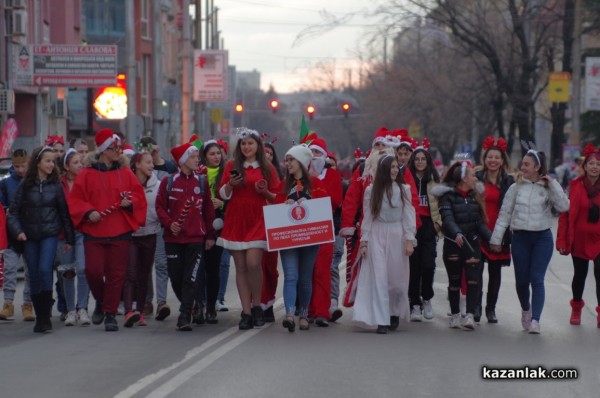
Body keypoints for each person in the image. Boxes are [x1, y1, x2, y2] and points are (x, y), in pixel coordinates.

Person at [68, 128, 147, 332]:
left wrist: (130, 203)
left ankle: (110, 313)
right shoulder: (86, 174)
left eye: (119, 147)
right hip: (94, 232)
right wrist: (88, 212)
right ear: (104, 149)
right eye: (115, 148)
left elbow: (139, 196)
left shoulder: (125, 172)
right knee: (92, 271)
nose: (118, 151)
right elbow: (75, 200)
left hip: (120, 231)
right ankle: (103, 302)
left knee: (116, 275)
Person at [490, 149, 569, 334]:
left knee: (537, 279)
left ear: (537, 167)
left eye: (527, 164)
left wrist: (554, 184)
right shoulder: (515, 187)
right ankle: (526, 309)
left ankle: (536, 320)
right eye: (522, 163)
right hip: (520, 238)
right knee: (521, 282)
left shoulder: (548, 187)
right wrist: (496, 239)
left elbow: (564, 206)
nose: (522, 167)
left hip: (542, 238)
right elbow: (504, 215)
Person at [7, 146, 75, 333]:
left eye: (53, 161)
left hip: (49, 235)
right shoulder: (25, 185)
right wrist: (18, 231)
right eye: (47, 161)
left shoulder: (56, 186)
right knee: (34, 274)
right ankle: (41, 317)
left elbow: (64, 213)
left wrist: (69, 238)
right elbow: (12, 213)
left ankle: (45, 316)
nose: (51, 164)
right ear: (37, 162)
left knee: (45, 270)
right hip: (29, 236)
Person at [217, 128, 278, 330]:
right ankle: (246, 312)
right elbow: (223, 194)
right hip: (237, 219)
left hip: (258, 219)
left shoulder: (267, 168)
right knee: (241, 267)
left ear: (257, 146)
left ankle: (258, 304)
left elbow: (277, 196)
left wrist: (265, 191)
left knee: (254, 263)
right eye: (243, 144)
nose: (246, 147)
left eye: (250, 143)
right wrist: (231, 185)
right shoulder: (232, 166)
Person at [353, 155, 416, 334]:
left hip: (397, 235)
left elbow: (408, 215)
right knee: (379, 278)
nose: (395, 170)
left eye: (396, 167)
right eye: (391, 167)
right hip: (377, 235)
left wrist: (409, 240)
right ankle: (381, 320)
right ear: (383, 170)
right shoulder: (371, 191)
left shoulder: (404, 189)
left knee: (396, 280)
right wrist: (364, 242)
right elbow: (367, 218)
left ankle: (394, 312)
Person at [156, 143, 216, 331]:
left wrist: (210, 235)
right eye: (193, 157)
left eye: (197, 156)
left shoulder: (201, 182)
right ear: (182, 161)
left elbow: (208, 210)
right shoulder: (169, 182)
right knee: (176, 278)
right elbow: (159, 206)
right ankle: (193, 305)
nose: (197, 160)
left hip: (195, 239)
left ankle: (184, 315)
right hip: (173, 240)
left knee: (190, 278)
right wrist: (169, 223)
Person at [432, 160, 492, 330]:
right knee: (455, 281)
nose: (476, 179)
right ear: (464, 178)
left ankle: (470, 315)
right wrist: (457, 233)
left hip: (472, 243)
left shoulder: (474, 196)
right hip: (454, 243)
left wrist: (492, 238)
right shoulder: (447, 196)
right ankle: (456, 314)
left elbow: (479, 223)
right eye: (473, 175)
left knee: (473, 280)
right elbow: (448, 218)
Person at [275, 145, 328, 332]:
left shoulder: (316, 184)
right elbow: (274, 209)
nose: (287, 163)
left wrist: (309, 203)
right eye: (287, 160)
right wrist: (284, 205)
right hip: (288, 238)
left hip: (310, 239)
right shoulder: (284, 185)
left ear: (302, 163)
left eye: (291, 160)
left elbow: (325, 207)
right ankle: (289, 314)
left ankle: (303, 314)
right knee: (291, 275)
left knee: (305, 278)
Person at [556, 144, 600, 327]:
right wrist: (561, 240)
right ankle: (576, 307)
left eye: (598, 163)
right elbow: (565, 215)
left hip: (599, 240)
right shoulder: (574, 186)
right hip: (579, 240)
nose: (595, 166)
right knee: (579, 275)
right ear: (585, 165)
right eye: (591, 163)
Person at [474, 136, 514, 324]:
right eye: (490, 157)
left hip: (499, 232)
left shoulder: (509, 181)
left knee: (495, 273)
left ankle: (491, 309)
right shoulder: (476, 178)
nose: (493, 161)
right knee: (477, 269)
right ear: (485, 159)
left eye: (497, 158)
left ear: (502, 160)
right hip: (478, 229)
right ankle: (476, 307)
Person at [138, 136, 177, 320]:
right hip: (142, 226)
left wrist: (157, 157)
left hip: (160, 226)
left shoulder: (166, 168)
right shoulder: (134, 171)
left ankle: (161, 302)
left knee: (161, 264)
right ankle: (146, 301)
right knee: (144, 266)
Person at [305, 136, 343, 327]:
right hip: (305, 230)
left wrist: (317, 188)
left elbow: (335, 201)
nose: (314, 157)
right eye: (311, 153)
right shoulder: (302, 176)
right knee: (307, 271)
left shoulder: (332, 176)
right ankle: (309, 309)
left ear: (325, 156)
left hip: (324, 229)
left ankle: (322, 311)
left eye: (317, 153)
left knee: (322, 270)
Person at [123, 152, 161, 327]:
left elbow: (161, 207)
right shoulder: (126, 182)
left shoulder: (158, 185)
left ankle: (139, 312)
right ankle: (128, 311)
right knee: (130, 274)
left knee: (144, 274)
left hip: (150, 233)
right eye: (148, 162)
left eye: (152, 163)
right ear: (137, 164)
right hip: (130, 235)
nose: (152, 166)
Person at [406, 140, 442, 321]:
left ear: (428, 161)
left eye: (423, 159)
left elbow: (442, 204)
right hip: (412, 226)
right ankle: (414, 304)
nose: (420, 162)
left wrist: (438, 224)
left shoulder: (434, 181)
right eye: (417, 159)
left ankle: (426, 297)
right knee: (413, 267)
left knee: (428, 265)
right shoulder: (407, 179)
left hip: (429, 226)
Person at [0, 149, 35, 322]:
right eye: (17, 166)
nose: (20, 170)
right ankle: (8, 303)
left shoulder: (34, 182)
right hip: (11, 234)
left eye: (23, 166)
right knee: (9, 269)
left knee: (30, 271)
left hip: (31, 233)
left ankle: (27, 304)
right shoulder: (6, 183)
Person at [57, 149, 91, 326]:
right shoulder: (58, 184)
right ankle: (70, 310)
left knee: (83, 269)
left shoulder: (85, 182)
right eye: (76, 162)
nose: (80, 165)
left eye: (81, 162)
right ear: (66, 166)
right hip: (64, 234)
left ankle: (83, 308)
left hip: (82, 231)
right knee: (67, 272)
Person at [196, 140, 226, 324]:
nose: (216, 157)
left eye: (218, 153)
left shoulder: (226, 174)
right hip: (198, 224)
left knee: (214, 268)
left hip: (218, 224)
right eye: (212, 154)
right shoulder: (199, 173)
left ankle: (211, 306)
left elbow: (234, 198)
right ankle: (198, 304)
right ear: (204, 157)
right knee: (198, 269)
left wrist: (223, 203)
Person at [260, 140, 282, 321]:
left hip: (273, 225)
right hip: (255, 225)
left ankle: (269, 301)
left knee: (270, 269)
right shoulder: (250, 172)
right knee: (255, 266)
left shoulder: (277, 175)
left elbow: (278, 198)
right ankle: (258, 304)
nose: (267, 156)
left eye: (270, 153)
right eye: (264, 152)